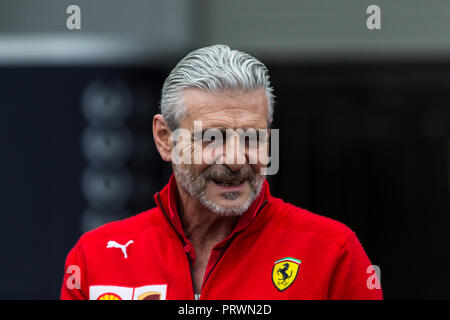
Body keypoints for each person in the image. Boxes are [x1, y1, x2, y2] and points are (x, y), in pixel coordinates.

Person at [60, 44, 382, 300]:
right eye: (211, 138)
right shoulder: (95, 259)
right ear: (165, 139)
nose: (234, 159)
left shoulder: (332, 253)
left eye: (252, 137)